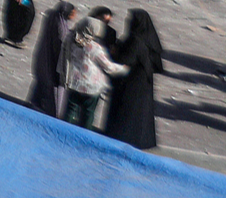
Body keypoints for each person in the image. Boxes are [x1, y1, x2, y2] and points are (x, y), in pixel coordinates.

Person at [102, 10, 164, 148]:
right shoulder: (145, 39)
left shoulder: (136, 41)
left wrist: (114, 53)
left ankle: (123, 138)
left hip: (132, 84)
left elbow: (127, 60)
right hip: (141, 83)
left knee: (127, 113)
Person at [64, 15, 129, 129]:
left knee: (70, 111)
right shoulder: (94, 48)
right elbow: (108, 67)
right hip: (91, 86)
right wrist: (123, 68)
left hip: (74, 82)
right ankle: (84, 136)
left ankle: (62, 131)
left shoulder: (71, 40)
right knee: (88, 113)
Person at [28, 1, 79, 119]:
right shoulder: (61, 29)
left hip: (42, 59)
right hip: (52, 65)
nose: (74, 16)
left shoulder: (52, 18)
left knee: (40, 85)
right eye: (73, 14)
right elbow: (61, 47)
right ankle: (51, 115)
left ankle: (34, 105)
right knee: (53, 94)